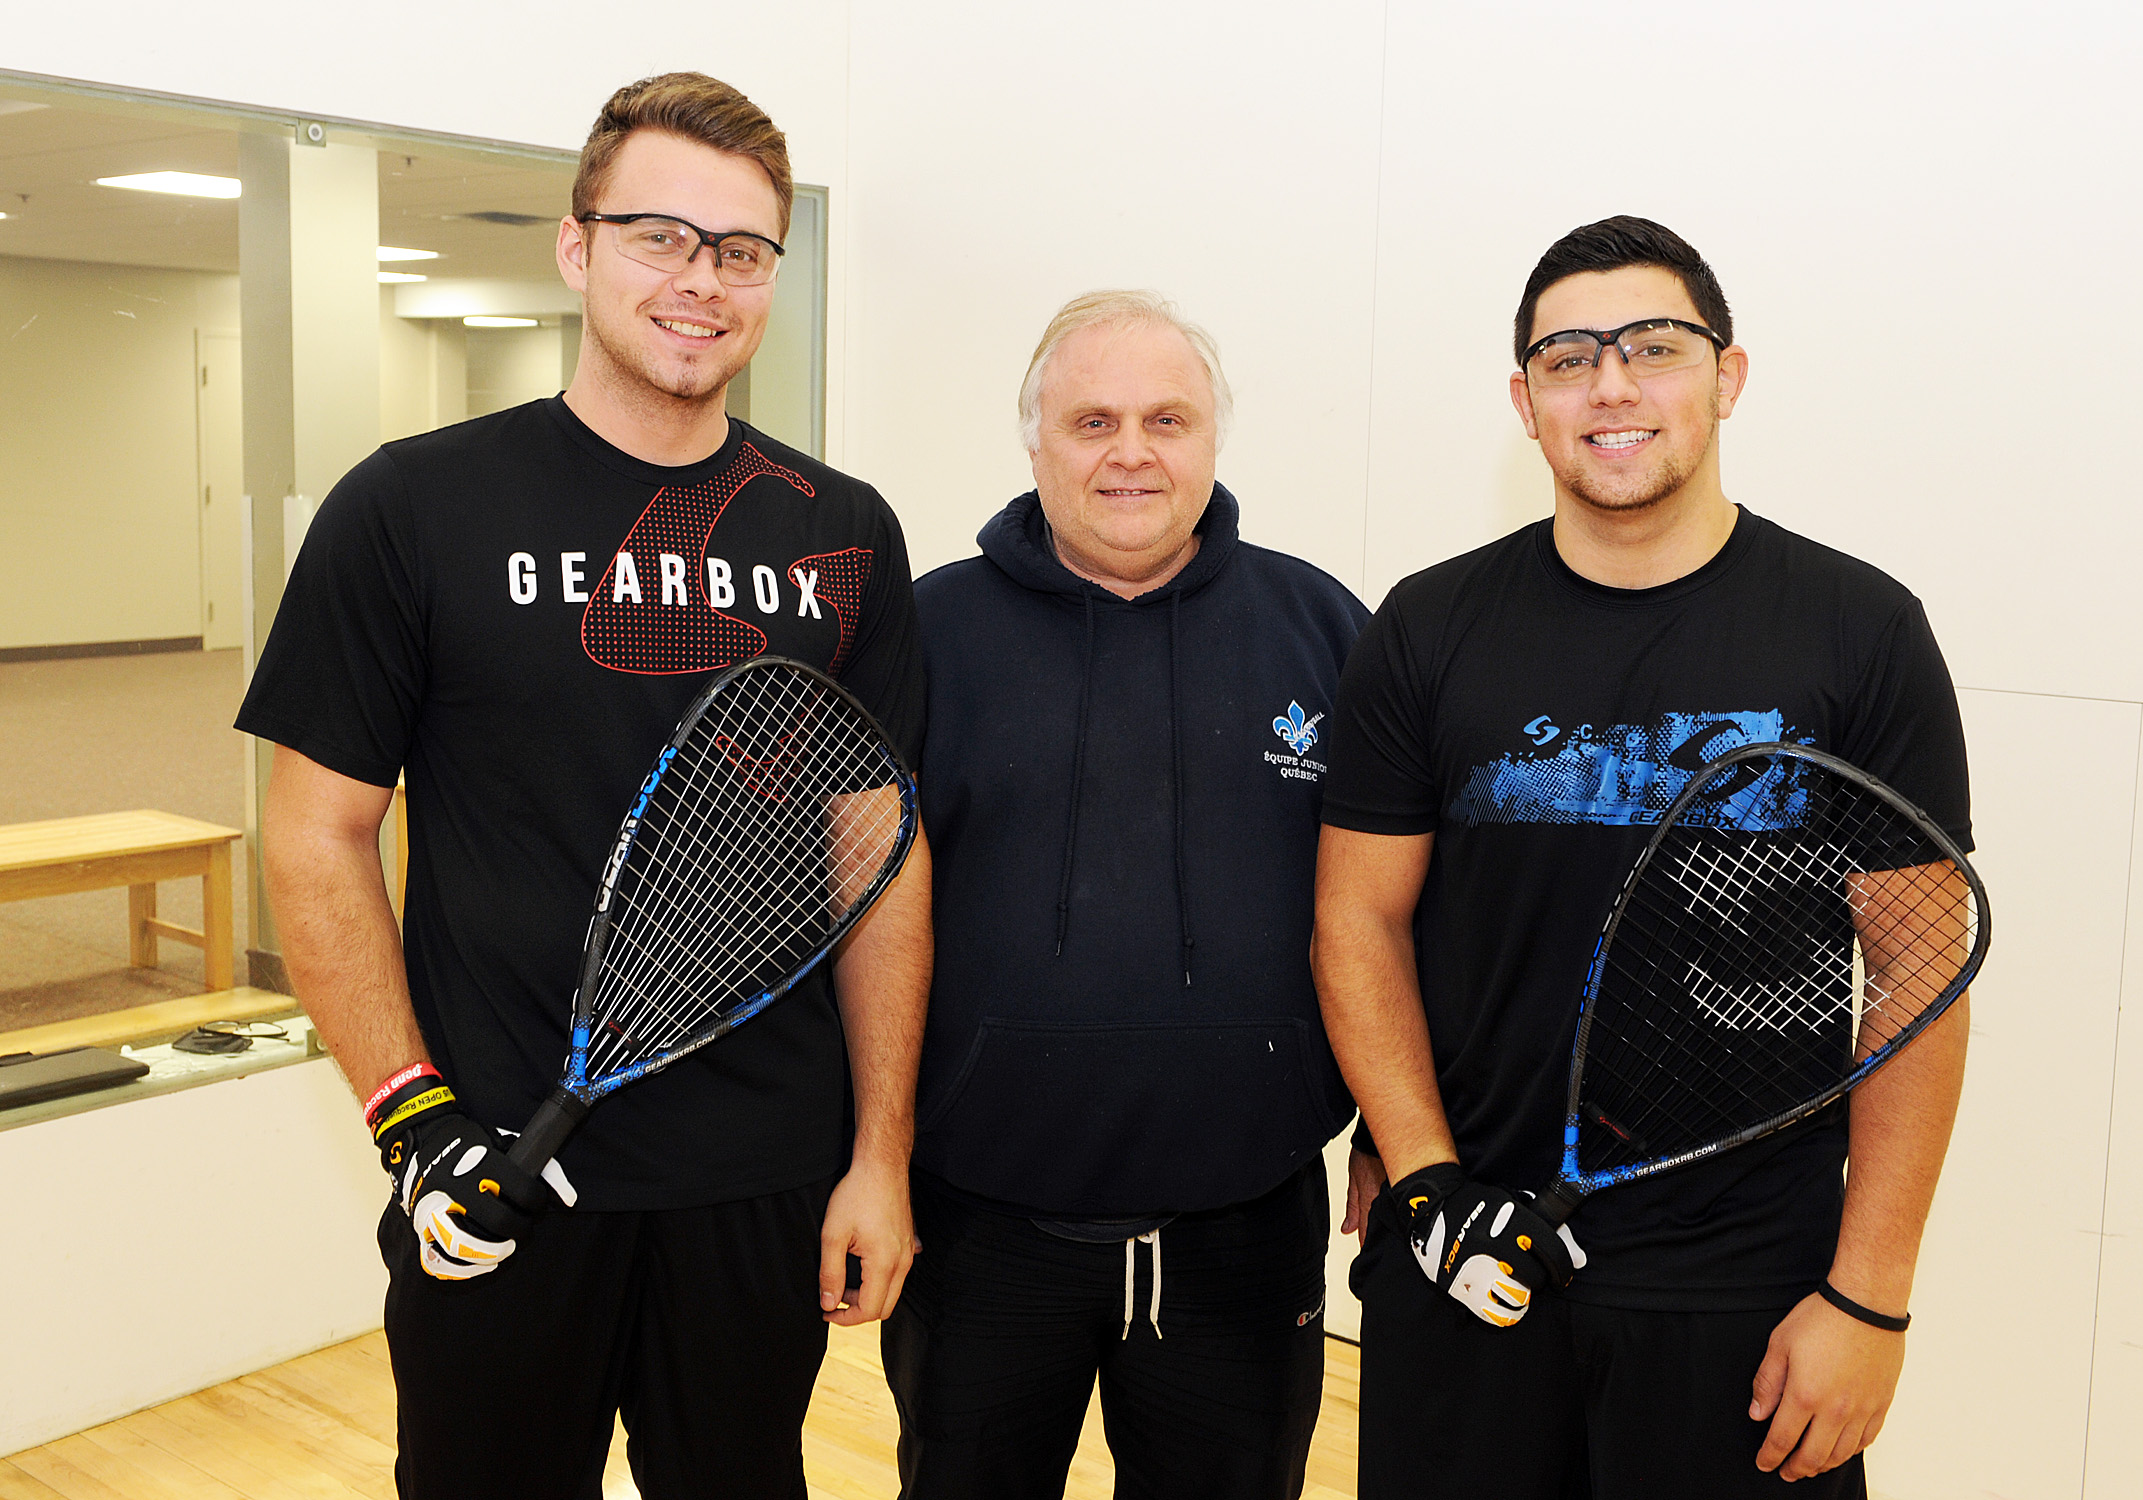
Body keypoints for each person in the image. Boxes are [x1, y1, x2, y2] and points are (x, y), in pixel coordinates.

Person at [238, 73, 932, 1500]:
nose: (701, 280)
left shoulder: (844, 532)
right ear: (575, 247)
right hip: (498, 1169)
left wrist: (879, 1156)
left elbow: (877, 866)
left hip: (757, 1175)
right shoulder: (410, 507)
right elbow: (316, 836)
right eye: (658, 236)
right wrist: (412, 1122)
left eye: (740, 251)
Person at [1312, 217, 1972, 1499]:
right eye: (1568, 357)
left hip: (1751, 1292)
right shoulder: (1427, 625)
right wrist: (1426, 1180)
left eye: (1653, 348)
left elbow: (1916, 977)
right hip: (1472, 1256)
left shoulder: (1861, 630)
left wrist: (1870, 1298)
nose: (1610, 385)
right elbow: (1357, 923)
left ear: (1726, 378)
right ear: (1524, 401)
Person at [881, 290, 1367, 1499]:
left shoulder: (1323, 630)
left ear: (1212, 439)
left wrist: (1396, 1132)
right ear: (1034, 439)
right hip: (977, 1230)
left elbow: (1399, 912)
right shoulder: (924, 633)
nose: (1132, 452)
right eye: (1092, 420)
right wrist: (865, 1159)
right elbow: (856, 919)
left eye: (1167, 419)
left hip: (1246, 1233)